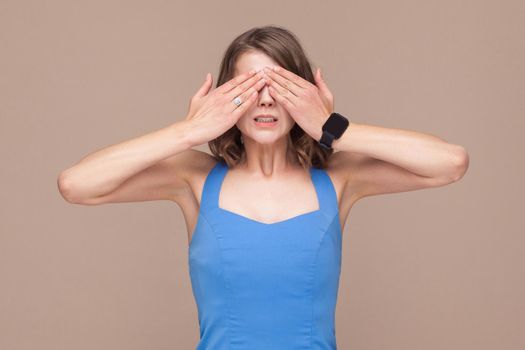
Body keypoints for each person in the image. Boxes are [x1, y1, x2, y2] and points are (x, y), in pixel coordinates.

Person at [57, 25, 469, 349]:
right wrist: (188, 132)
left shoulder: (340, 179)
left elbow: (450, 164)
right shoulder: (194, 179)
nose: (266, 101)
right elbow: (76, 185)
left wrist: (332, 128)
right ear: (225, 99)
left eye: (281, 86)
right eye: (251, 88)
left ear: (304, 96)